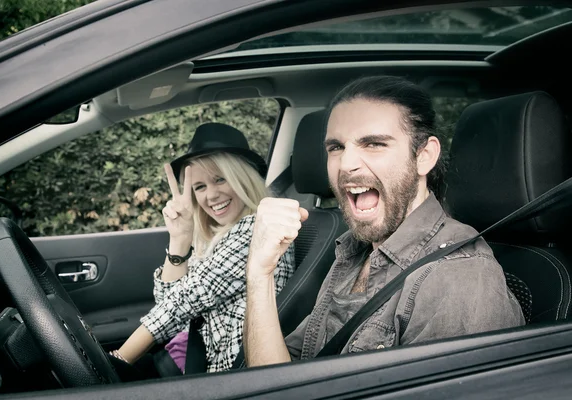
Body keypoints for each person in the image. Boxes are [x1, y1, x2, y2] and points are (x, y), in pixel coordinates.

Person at [243, 76, 525, 366]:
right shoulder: (354, 251)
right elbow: (280, 377)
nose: (346, 165)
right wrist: (259, 272)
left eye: (374, 143)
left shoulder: (458, 277)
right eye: (336, 148)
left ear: (423, 157)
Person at [110, 122, 295, 373]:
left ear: (243, 178)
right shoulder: (220, 234)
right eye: (200, 187)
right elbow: (167, 304)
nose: (211, 195)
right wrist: (180, 238)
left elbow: (181, 302)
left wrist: (118, 360)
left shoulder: (256, 230)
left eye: (220, 180)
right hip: (202, 366)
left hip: (230, 376)